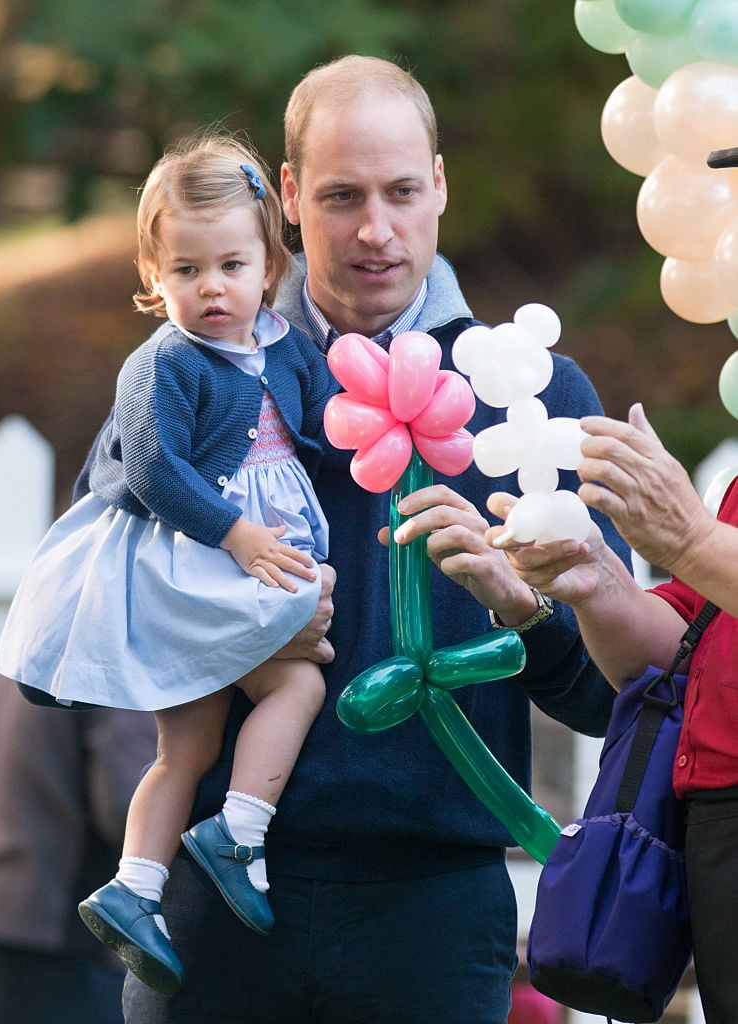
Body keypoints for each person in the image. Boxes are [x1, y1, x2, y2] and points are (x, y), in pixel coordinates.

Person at [116, 55, 632, 1024]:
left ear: (439, 182)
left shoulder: (531, 396)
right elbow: (99, 604)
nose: (373, 230)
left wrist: (523, 609)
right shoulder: (201, 369)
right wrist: (221, 623)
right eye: (341, 195)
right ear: (288, 195)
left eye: (400, 191)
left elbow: (611, 696)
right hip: (213, 881)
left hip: (433, 900)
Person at [0, 131, 339, 994]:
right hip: (198, 558)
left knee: (185, 744)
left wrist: (376, 406)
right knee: (294, 685)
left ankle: (136, 886)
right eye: (186, 271)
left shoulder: (285, 344)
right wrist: (239, 535)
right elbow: (150, 469)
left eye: (230, 264)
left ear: (271, 262)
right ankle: (238, 830)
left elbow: (329, 415)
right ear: (154, 276)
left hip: (239, 554)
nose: (211, 287)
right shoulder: (165, 362)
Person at [485, 395, 738, 1024]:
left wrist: (692, 538)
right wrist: (593, 579)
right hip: (716, 821)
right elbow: (680, 646)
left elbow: (702, 553)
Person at [0, 674, 157, 1024]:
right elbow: (127, 804)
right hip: (62, 921)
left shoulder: (24, 646)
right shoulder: (103, 659)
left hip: (0, 907)